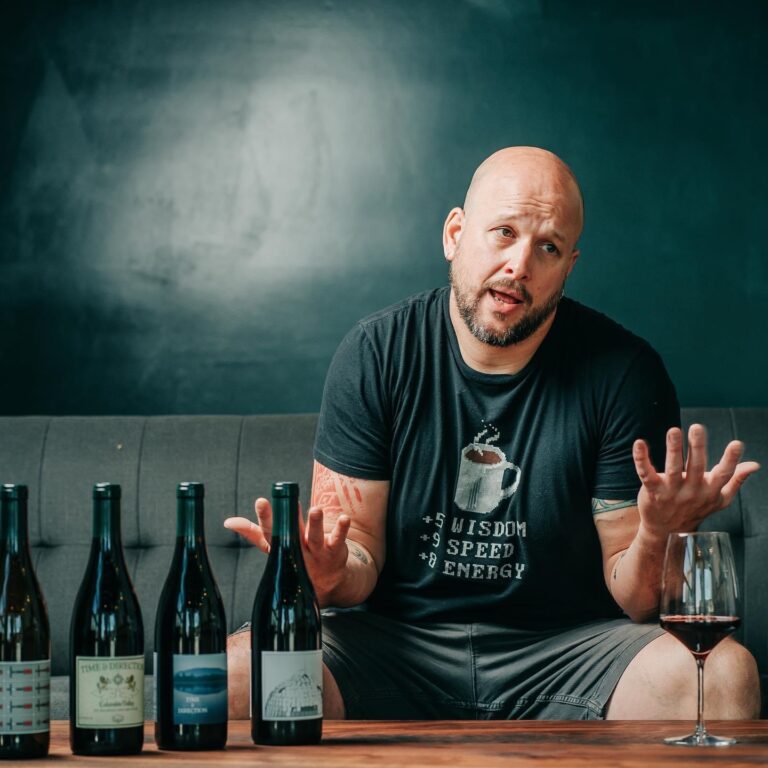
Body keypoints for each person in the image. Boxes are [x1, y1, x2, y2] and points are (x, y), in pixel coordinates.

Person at [224, 147, 761, 720]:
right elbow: (359, 556)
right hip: (395, 645)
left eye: (547, 247)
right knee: (234, 676)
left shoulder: (623, 372)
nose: (519, 265)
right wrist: (328, 576)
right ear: (455, 234)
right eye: (503, 232)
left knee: (723, 678)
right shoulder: (376, 353)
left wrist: (661, 533)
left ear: (569, 265)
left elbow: (634, 597)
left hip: (567, 650)